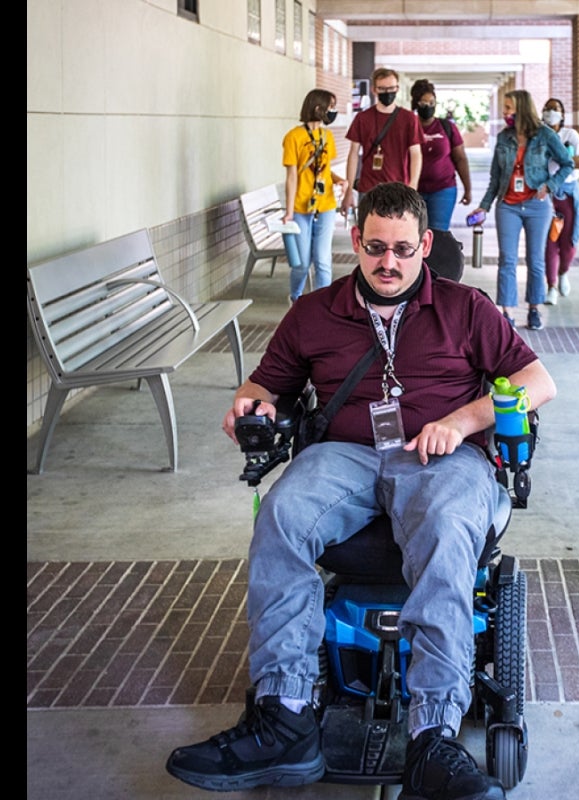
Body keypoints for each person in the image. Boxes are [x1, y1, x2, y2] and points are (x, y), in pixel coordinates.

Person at [166, 182, 557, 800]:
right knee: (283, 514)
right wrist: (250, 407)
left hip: (443, 457)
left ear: (425, 245)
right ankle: (286, 714)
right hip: (345, 456)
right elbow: (263, 388)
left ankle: (434, 738)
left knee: (448, 528)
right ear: (355, 242)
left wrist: (461, 421)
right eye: (375, 247)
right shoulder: (315, 313)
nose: (389, 262)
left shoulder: (466, 308)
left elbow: (538, 382)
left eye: (403, 249)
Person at [475, 90, 573, 331]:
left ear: (522, 109)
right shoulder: (503, 138)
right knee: (507, 259)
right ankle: (507, 313)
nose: (505, 112)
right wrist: (484, 206)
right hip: (507, 205)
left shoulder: (544, 135)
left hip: (536, 206)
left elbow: (566, 163)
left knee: (535, 259)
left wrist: (549, 186)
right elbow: (495, 178)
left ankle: (533, 309)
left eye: (508, 107)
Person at [281, 89, 347, 303]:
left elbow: (325, 170)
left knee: (323, 260)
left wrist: (339, 180)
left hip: (326, 205)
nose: (333, 112)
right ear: (318, 109)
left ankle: (322, 306)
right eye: (331, 107)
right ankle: (296, 298)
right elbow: (291, 176)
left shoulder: (327, 137)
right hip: (301, 208)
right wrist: (289, 212)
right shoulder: (293, 137)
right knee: (300, 263)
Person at [341, 68, 425, 217]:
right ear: (374, 90)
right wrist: (348, 190)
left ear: (397, 88)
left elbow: (416, 154)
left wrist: (413, 186)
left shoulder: (409, 119)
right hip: (369, 188)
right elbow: (353, 154)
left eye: (391, 88)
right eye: (382, 88)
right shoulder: (363, 118)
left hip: (400, 188)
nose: (387, 92)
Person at [540, 98, 579, 305]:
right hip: (546, 194)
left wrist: (560, 158)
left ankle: (563, 273)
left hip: (569, 195)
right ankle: (551, 286)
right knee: (549, 242)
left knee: (568, 242)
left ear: (562, 113)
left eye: (555, 109)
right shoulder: (538, 135)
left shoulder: (570, 135)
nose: (551, 112)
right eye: (547, 109)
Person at [411, 78, 473, 230]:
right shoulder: (409, 127)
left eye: (432, 102)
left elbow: (460, 159)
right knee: (414, 234)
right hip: (414, 190)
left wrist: (468, 189)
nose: (428, 106)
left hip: (443, 189)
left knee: (438, 234)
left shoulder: (446, 127)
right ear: (416, 103)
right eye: (423, 103)